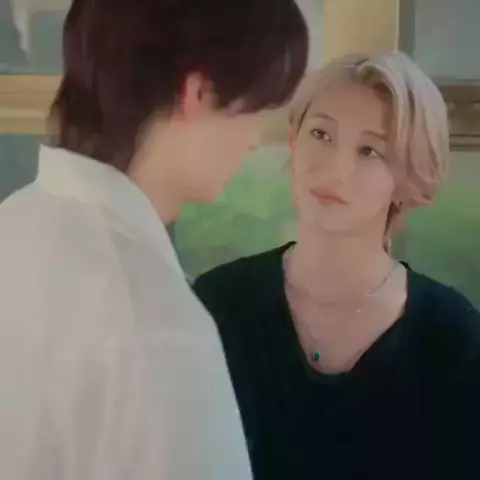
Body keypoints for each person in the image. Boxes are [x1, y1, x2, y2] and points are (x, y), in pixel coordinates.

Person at [0, 0, 308, 478]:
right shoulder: (154, 322)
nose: (254, 141)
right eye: (258, 108)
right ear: (198, 92)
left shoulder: (15, 224)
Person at [193, 52, 480, 480]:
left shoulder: (450, 335)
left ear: (407, 179)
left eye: (370, 150)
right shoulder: (218, 303)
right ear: (294, 141)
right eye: (321, 134)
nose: (335, 168)